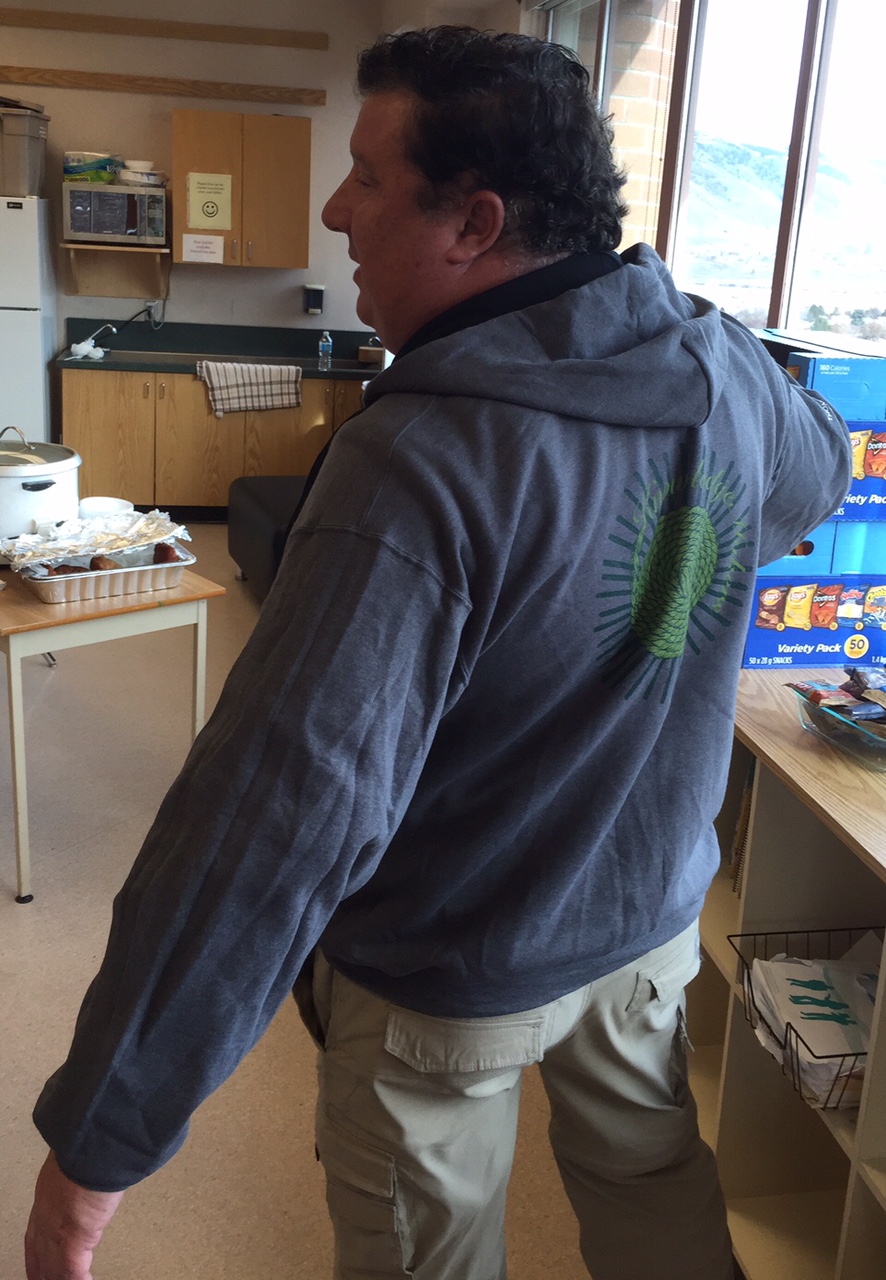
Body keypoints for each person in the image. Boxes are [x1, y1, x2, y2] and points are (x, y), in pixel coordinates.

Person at [26, 25, 851, 1280]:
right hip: (644, 925)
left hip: (447, 973)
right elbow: (819, 472)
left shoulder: (415, 466)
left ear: (474, 222)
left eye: (367, 175)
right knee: (656, 1193)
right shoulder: (723, 365)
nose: (335, 208)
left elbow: (273, 817)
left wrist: (101, 1138)